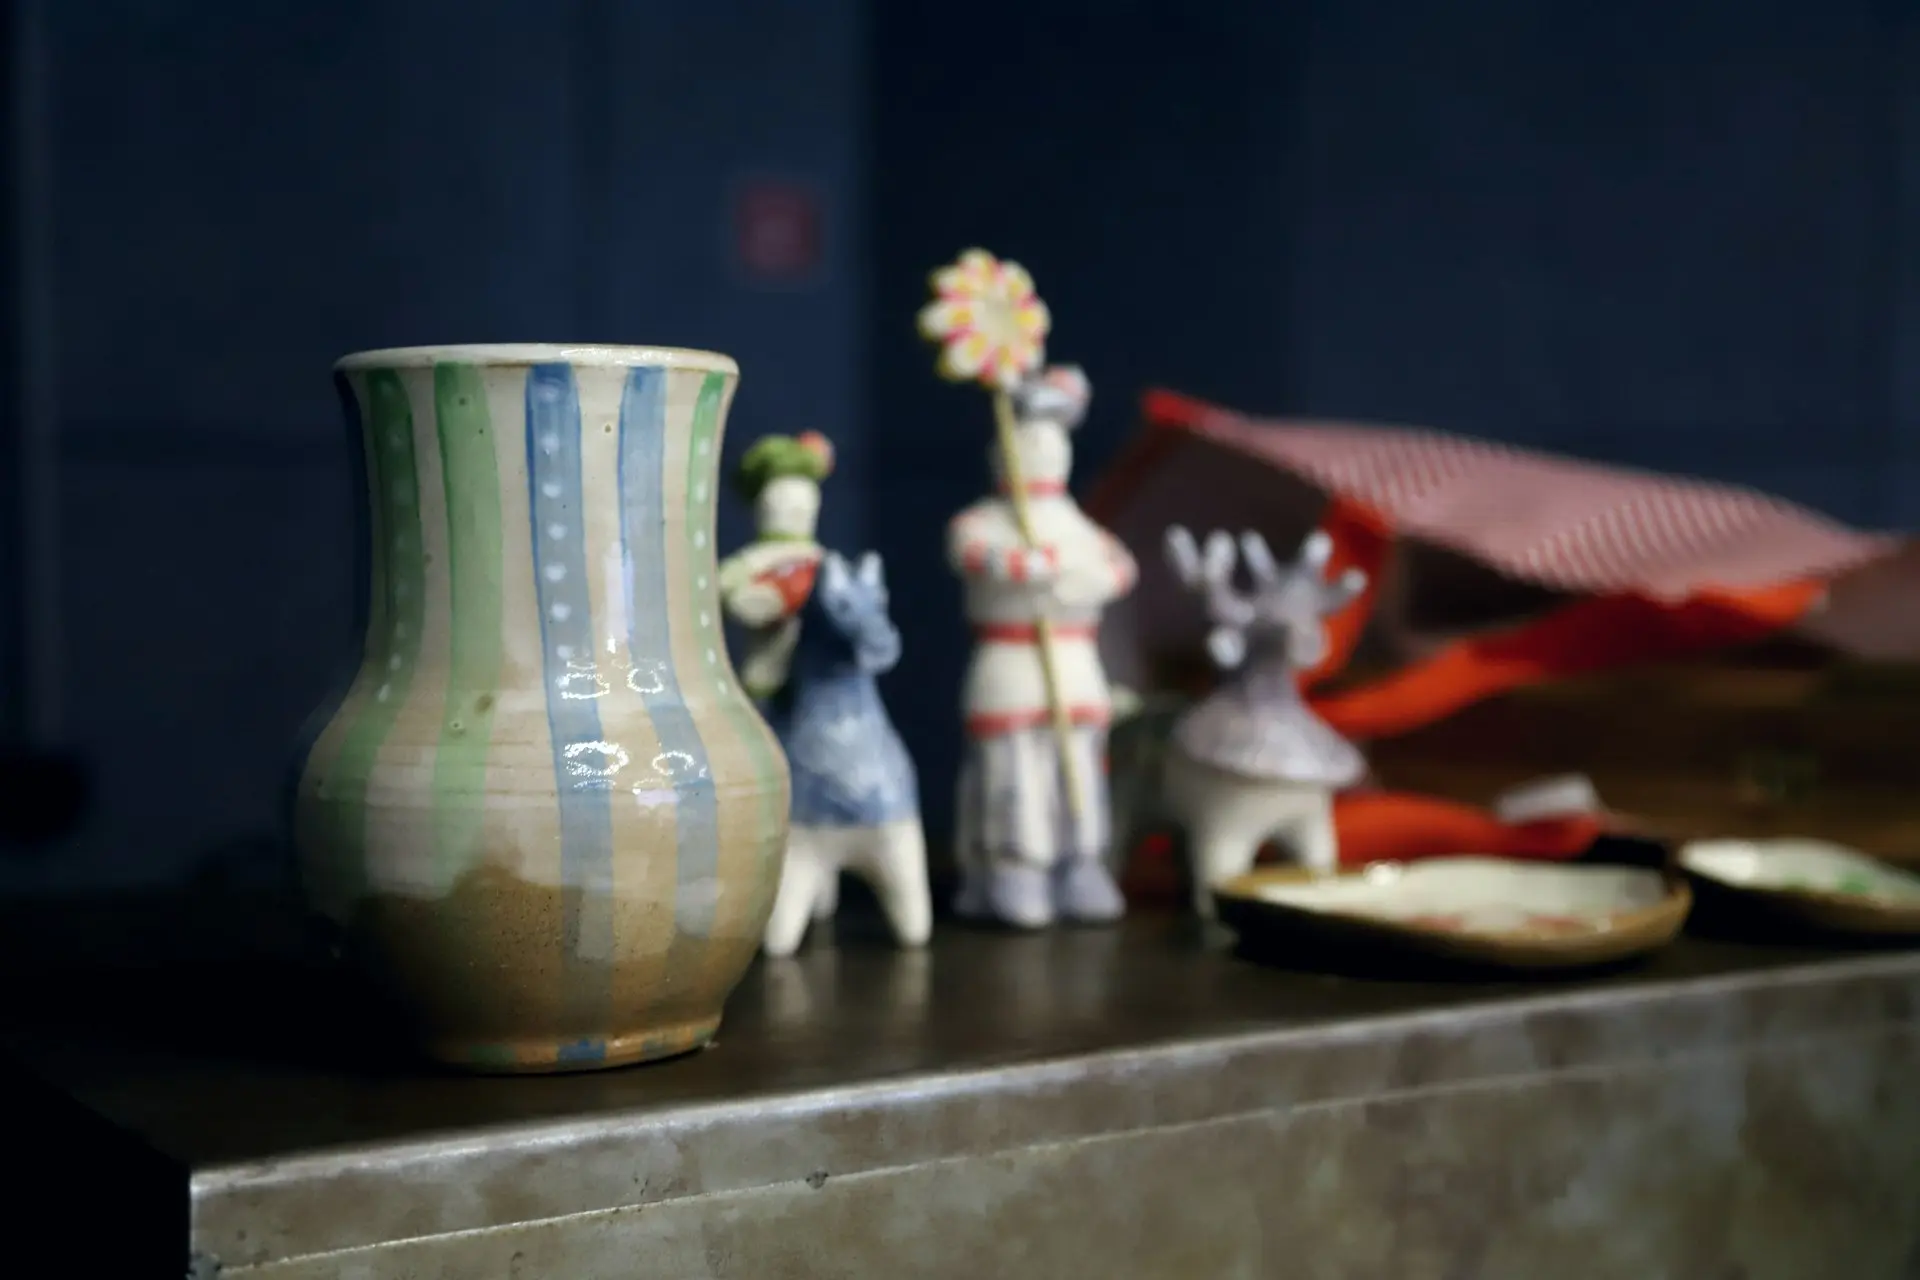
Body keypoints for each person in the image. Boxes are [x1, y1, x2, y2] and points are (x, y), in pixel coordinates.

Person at [947, 366, 1137, 929]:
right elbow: (976, 555)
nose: (1042, 456)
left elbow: (1119, 568)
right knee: (1013, 773)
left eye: (1051, 446)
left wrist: (1068, 576)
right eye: (1029, 444)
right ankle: (1013, 867)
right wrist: (1022, 565)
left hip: (1074, 664)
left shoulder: (1078, 525)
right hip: (1009, 666)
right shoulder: (978, 523)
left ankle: (1080, 862)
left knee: (1077, 767)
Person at [718, 431, 834, 705]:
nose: (794, 508)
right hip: (766, 677)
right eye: (783, 498)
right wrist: (771, 597)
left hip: (815, 680)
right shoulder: (756, 558)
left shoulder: (820, 560)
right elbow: (725, 588)